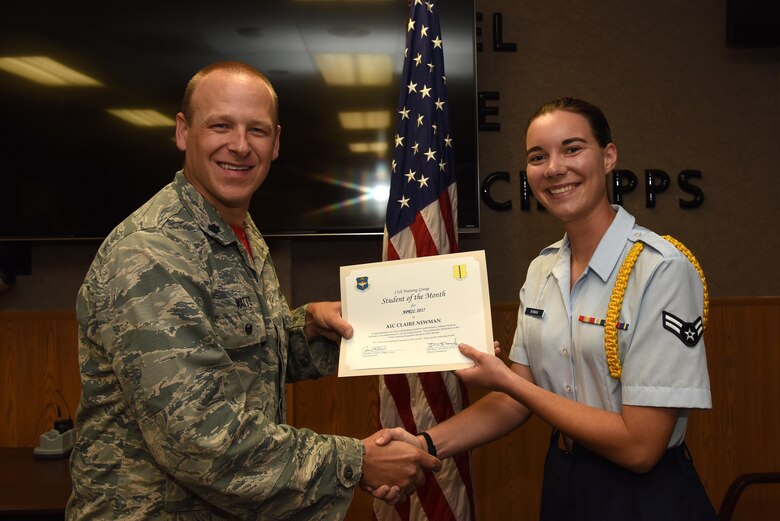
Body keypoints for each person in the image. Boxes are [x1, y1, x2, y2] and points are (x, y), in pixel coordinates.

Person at [66, 61, 440, 520]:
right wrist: (357, 462)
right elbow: (201, 440)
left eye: (257, 130)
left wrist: (311, 330)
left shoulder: (235, 229)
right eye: (220, 125)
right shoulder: (152, 253)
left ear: (276, 142)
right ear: (184, 132)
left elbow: (243, 352)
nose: (240, 146)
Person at [376, 97, 718, 520]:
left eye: (572, 149)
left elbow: (640, 446)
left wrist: (508, 382)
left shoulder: (661, 270)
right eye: (538, 156)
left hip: (643, 495)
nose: (554, 167)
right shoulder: (542, 269)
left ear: (609, 157)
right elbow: (512, 401)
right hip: (564, 478)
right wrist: (424, 443)